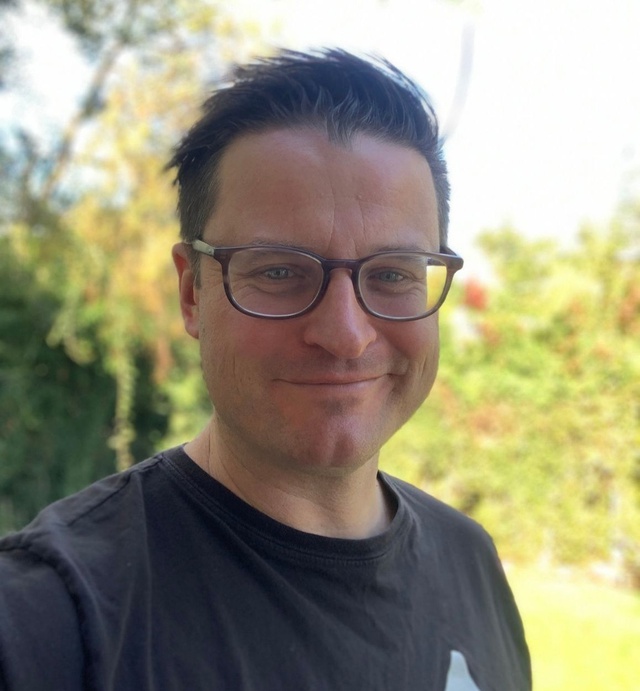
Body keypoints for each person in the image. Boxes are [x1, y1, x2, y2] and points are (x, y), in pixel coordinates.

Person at [0, 49, 531, 690]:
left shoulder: (470, 563)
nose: (344, 334)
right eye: (278, 271)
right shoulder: (53, 620)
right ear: (193, 292)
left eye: (393, 274)